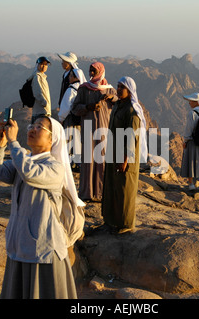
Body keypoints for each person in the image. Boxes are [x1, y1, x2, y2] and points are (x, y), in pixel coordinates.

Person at [0, 115, 77, 299]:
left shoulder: (55, 167)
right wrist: (1, 143)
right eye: (31, 125)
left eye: (40, 127)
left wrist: (13, 142)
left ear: (52, 139)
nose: (32, 129)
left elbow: (30, 173)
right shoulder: (24, 161)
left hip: (43, 252)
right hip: (19, 246)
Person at [101, 76, 147, 234]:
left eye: (122, 87)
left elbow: (132, 138)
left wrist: (125, 159)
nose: (119, 89)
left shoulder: (132, 111)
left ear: (130, 90)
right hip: (113, 153)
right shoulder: (117, 106)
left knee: (124, 190)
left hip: (125, 157)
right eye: (118, 86)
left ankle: (126, 224)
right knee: (111, 187)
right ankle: (110, 220)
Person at [71, 62, 118, 201]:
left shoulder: (109, 90)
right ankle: (87, 192)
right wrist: (88, 107)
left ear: (100, 71)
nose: (91, 73)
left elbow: (120, 103)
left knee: (102, 160)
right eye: (90, 70)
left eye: (94, 71)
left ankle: (101, 192)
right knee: (88, 160)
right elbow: (75, 108)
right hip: (88, 128)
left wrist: (112, 98)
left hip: (104, 128)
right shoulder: (84, 89)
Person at [58, 68, 87, 167]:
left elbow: (66, 106)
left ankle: (69, 164)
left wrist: (61, 119)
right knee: (78, 141)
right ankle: (78, 164)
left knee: (69, 141)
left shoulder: (71, 89)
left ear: (76, 77)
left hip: (70, 118)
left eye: (71, 76)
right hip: (80, 119)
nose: (69, 78)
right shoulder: (84, 90)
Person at [29, 56, 51, 122]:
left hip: (43, 111)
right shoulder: (37, 77)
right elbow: (37, 92)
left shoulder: (43, 77)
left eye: (45, 64)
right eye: (41, 64)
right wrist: (44, 103)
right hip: (40, 112)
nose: (44, 66)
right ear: (37, 65)